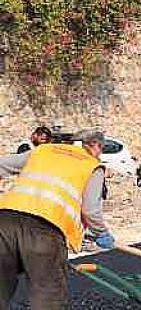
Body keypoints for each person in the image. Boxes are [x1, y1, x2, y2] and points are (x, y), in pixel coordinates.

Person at [0, 129, 114, 309]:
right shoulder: (91, 165)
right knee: (47, 293)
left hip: (5, 221)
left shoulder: (43, 151)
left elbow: (2, 164)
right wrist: (101, 233)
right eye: (101, 149)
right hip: (46, 229)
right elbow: (91, 210)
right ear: (94, 145)